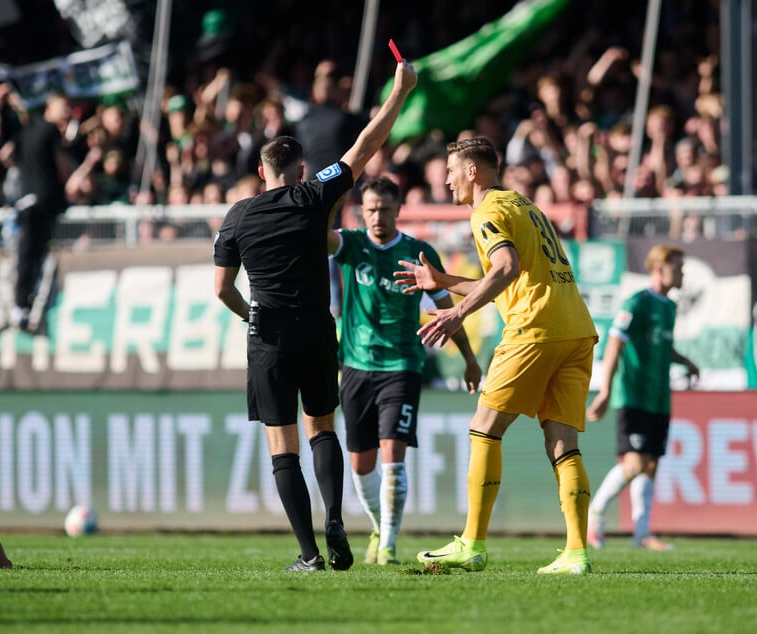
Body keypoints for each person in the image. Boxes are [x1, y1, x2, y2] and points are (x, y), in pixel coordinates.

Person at [213, 57, 418, 572]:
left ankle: (309, 554)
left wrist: (248, 315)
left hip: (269, 334)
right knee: (322, 430)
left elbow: (221, 289)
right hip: (316, 329)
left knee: (282, 447)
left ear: (262, 172)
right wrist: (399, 93)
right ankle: (335, 519)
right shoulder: (312, 195)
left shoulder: (237, 214)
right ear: (301, 170)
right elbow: (366, 146)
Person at [395, 136, 598, 574]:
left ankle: (472, 543)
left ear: (472, 171)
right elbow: (508, 276)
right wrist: (445, 281)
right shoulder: (523, 204)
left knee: (484, 427)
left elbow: (505, 269)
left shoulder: (486, 210)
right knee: (563, 443)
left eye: (451, 171)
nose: (446, 181)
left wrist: (456, 316)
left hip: (534, 329)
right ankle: (577, 553)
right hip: (575, 329)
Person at [328, 176, 482, 565]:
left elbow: (447, 305)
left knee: (392, 455)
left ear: (398, 210)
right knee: (361, 464)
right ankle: (380, 526)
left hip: (402, 366)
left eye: (385, 209)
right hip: (356, 366)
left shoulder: (419, 253)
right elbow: (318, 236)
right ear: (362, 212)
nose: (378, 216)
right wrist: (328, 196)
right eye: (371, 209)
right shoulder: (352, 244)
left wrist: (469, 358)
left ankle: (389, 545)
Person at [586, 244, 699, 550]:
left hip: (659, 397)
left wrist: (685, 361)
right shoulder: (636, 303)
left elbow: (663, 346)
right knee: (634, 463)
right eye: (677, 267)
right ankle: (593, 518)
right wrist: (606, 389)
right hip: (634, 395)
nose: (682, 272)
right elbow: (614, 344)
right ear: (659, 268)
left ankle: (641, 532)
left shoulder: (670, 307)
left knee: (650, 465)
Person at [295, 63, 367, 319]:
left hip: (312, 189)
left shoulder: (303, 122)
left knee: (320, 241)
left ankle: (331, 303)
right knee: (346, 240)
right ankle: (346, 302)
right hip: (344, 187)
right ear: (337, 91)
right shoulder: (347, 119)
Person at [2, 92, 73, 332]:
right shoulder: (51, 131)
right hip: (46, 201)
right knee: (39, 251)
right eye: (62, 107)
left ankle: (21, 304)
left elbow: (6, 155)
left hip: (27, 201)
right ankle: (24, 304)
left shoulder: (25, 134)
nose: (66, 112)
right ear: (48, 109)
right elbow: (61, 163)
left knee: (27, 253)